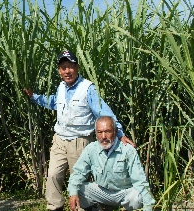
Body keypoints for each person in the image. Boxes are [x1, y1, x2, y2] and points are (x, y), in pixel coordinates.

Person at [23, 50, 134, 211]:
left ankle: (82, 208)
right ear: (59, 71)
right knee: (53, 175)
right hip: (60, 139)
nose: (67, 71)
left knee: (79, 180)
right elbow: (54, 102)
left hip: (80, 141)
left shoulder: (88, 88)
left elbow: (103, 112)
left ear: (77, 68)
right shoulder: (61, 87)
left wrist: (120, 134)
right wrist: (34, 97)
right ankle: (54, 207)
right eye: (63, 67)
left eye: (70, 67)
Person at [67, 116, 155, 211]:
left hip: (124, 193)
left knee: (138, 196)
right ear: (95, 133)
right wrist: (73, 194)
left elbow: (140, 181)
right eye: (100, 132)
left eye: (108, 131)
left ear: (115, 132)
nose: (103, 136)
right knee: (78, 188)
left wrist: (149, 207)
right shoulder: (91, 149)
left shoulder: (128, 150)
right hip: (102, 191)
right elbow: (78, 173)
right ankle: (96, 209)